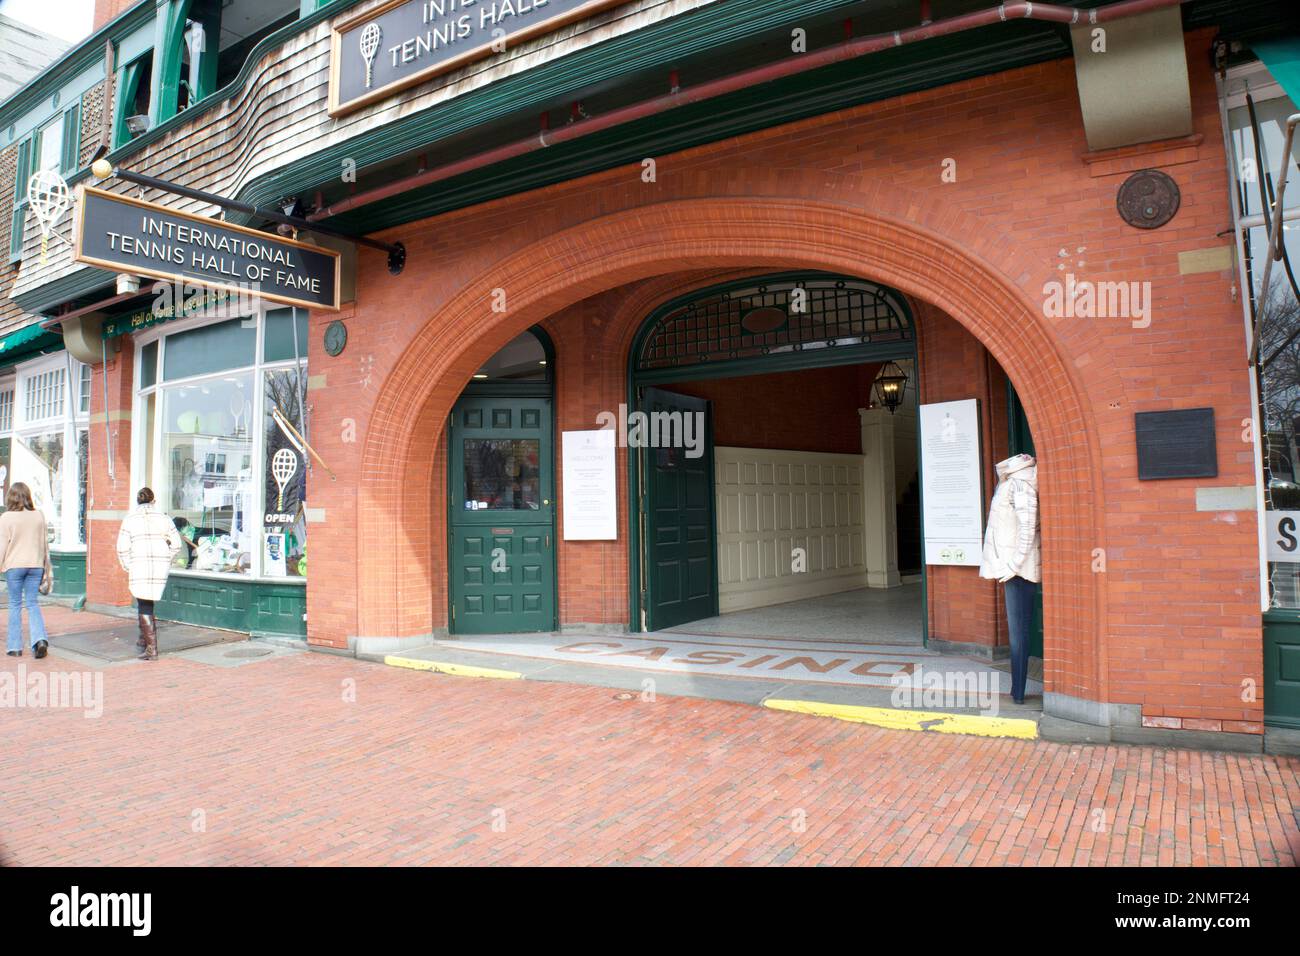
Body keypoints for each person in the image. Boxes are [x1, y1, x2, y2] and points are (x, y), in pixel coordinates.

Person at [978, 453, 1041, 705]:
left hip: (1018, 570)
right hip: (1013, 568)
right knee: (1018, 631)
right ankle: (1017, 689)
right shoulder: (1011, 480)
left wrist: (1013, 565)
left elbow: (1028, 529)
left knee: (1018, 633)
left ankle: (1018, 692)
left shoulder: (1021, 483)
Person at [116, 487, 182, 661]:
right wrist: (167, 557)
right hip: (159, 564)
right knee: (147, 600)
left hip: (139, 563)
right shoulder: (164, 518)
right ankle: (143, 639)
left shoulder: (130, 519)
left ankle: (151, 648)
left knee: (143, 601)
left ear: (138, 502)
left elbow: (122, 547)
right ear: (153, 501)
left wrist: (127, 565)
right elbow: (176, 544)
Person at [1, 482, 51, 659]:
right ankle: (40, 640)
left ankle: (15, 647)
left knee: (15, 604)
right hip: (35, 565)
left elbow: (2, 545)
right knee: (32, 603)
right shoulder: (38, 516)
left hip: (14, 566)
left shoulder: (6, 517)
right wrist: (45, 568)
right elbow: (44, 543)